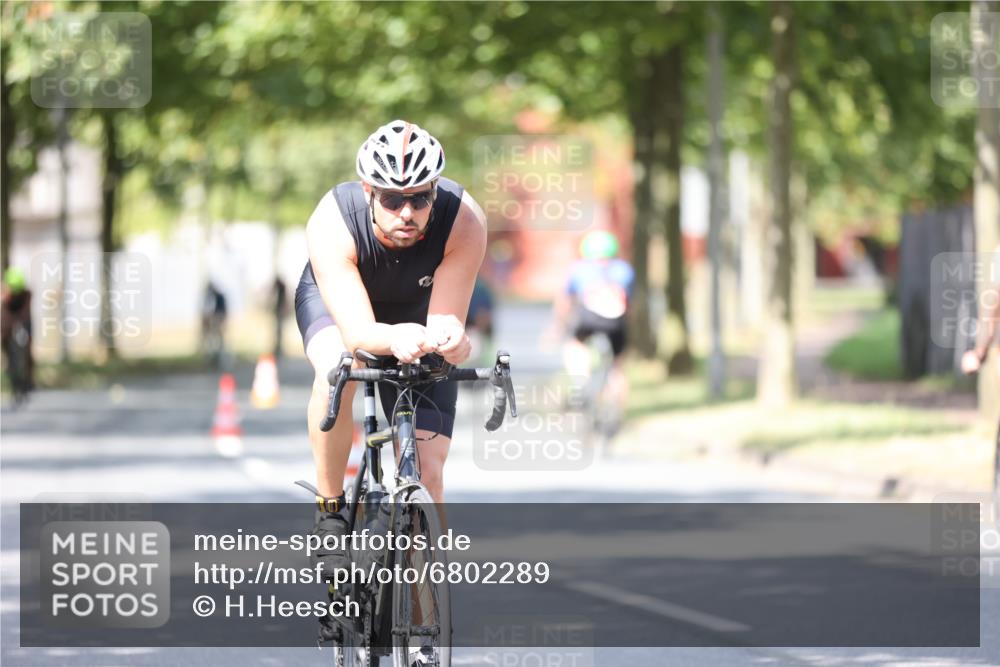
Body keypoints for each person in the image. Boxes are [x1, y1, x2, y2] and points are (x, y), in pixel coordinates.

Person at [294, 120, 486, 574]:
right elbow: (359, 333)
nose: (406, 212)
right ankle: (330, 511)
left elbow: (445, 321)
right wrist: (394, 336)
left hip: (419, 313)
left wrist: (454, 342)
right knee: (339, 367)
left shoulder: (464, 220)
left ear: (435, 191)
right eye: (392, 200)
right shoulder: (333, 220)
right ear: (368, 191)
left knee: (429, 474)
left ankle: (425, 610)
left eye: (419, 198)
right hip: (341, 308)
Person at [549, 230, 634, 411]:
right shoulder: (625, 269)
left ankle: (581, 381)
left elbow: (565, 300)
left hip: (588, 319)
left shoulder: (580, 269)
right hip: (617, 322)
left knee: (574, 346)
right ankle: (618, 411)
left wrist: (558, 325)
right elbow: (629, 302)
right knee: (617, 367)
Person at [1, 266, 34, 396]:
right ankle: (10, 368)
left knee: (27, 349)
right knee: (5, 340)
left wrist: (21, 326)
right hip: (8, 321)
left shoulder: (27, 294)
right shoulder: (5, 295)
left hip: (23, 321)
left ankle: (28, 379)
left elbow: (25, 313)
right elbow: (4, 315)